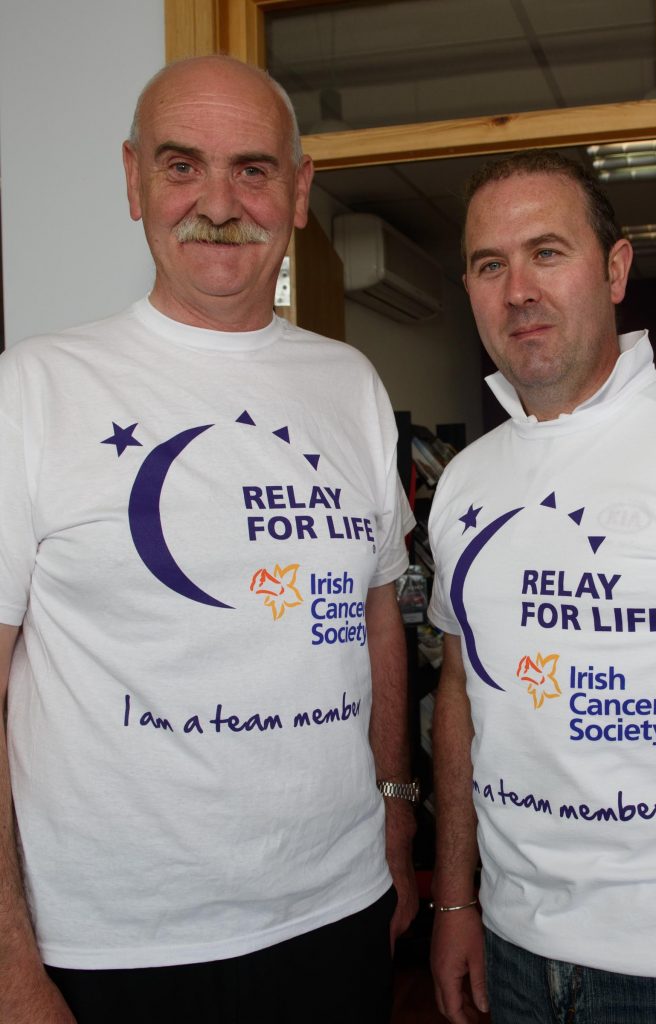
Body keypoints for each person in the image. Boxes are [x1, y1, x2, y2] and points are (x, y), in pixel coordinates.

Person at [0, 55, 418, 1024]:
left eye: (255, 169)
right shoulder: (33, 391)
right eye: (183, 165)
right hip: (111, 946)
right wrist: (11, 965)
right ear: (133, 178)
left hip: (335, 915)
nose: (220, 203)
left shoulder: (350, 384)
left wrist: (396, 815)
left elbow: (376, 618)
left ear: (300, 191)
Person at [426, 149, 656, 1024]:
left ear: (616, 269)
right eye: (490, 264)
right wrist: (455, 901)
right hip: (519, 951)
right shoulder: (464, 482)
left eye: (546, 252)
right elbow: (457, 690)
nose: (517, 288)